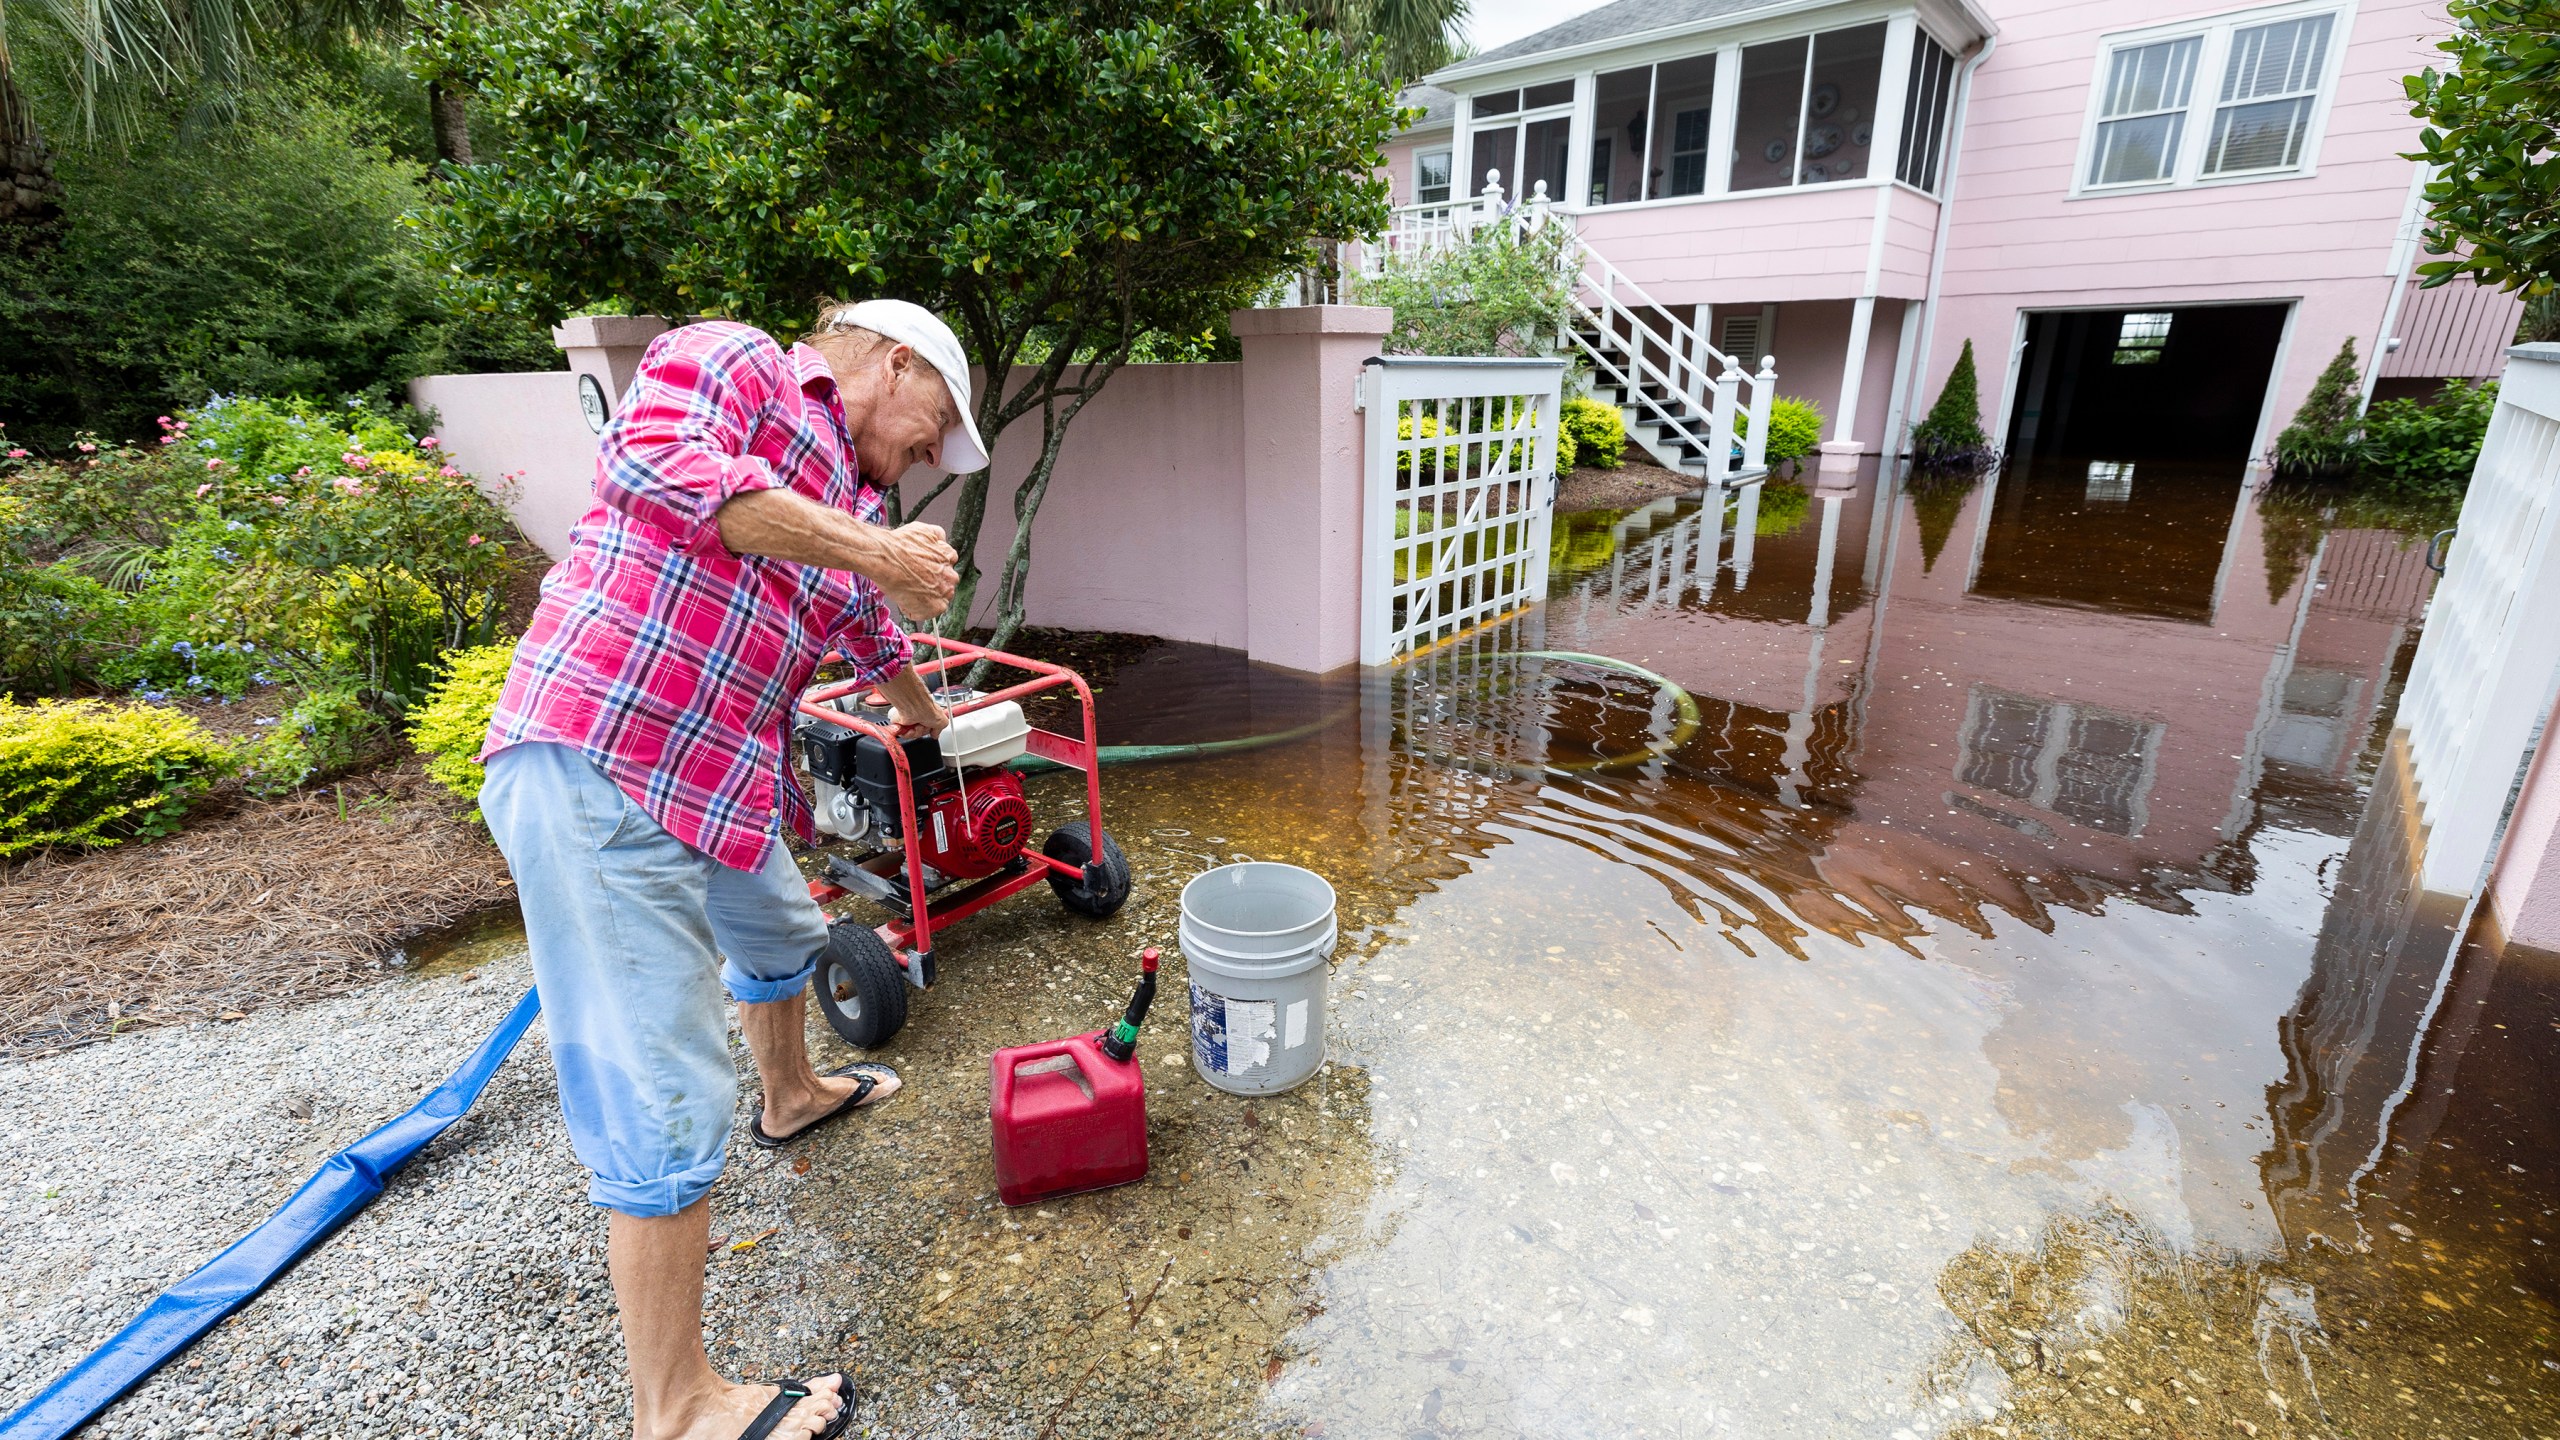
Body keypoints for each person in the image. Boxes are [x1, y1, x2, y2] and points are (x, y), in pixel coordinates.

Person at [476, 300, 980, 1440]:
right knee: (661, 1089)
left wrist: (930, 727)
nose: (926, 457)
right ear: (891, 364)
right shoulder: (736, 361)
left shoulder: (846, 503)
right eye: (932, 425)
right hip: (601, 759)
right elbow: (658, 471)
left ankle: (793, 1097)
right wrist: (878, 551)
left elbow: (872, 633)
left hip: (713, 784)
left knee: (781, 934)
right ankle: (679, 1407)